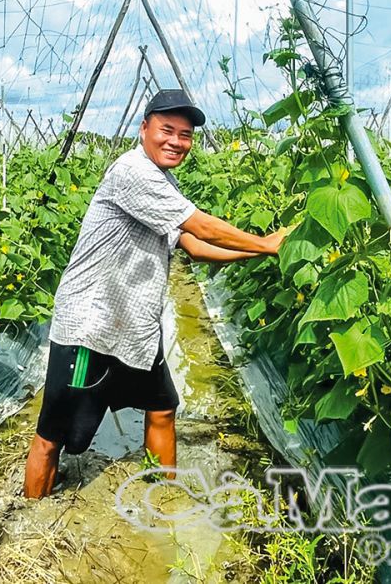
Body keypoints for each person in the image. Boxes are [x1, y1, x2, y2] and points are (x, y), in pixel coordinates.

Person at [24, 88, 284, 498]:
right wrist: (265, 243)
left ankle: (164, 495)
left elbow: (194, 246)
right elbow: (199, 226)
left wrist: (257, 252)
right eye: (167, 130)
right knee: (53, 434)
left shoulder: (166, 181)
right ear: (144, 128)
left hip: (136, 326)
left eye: (185, 135)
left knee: (162, 408)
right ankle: (29, 522)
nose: (176, 141)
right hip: (91, 327)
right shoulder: (133, 172)